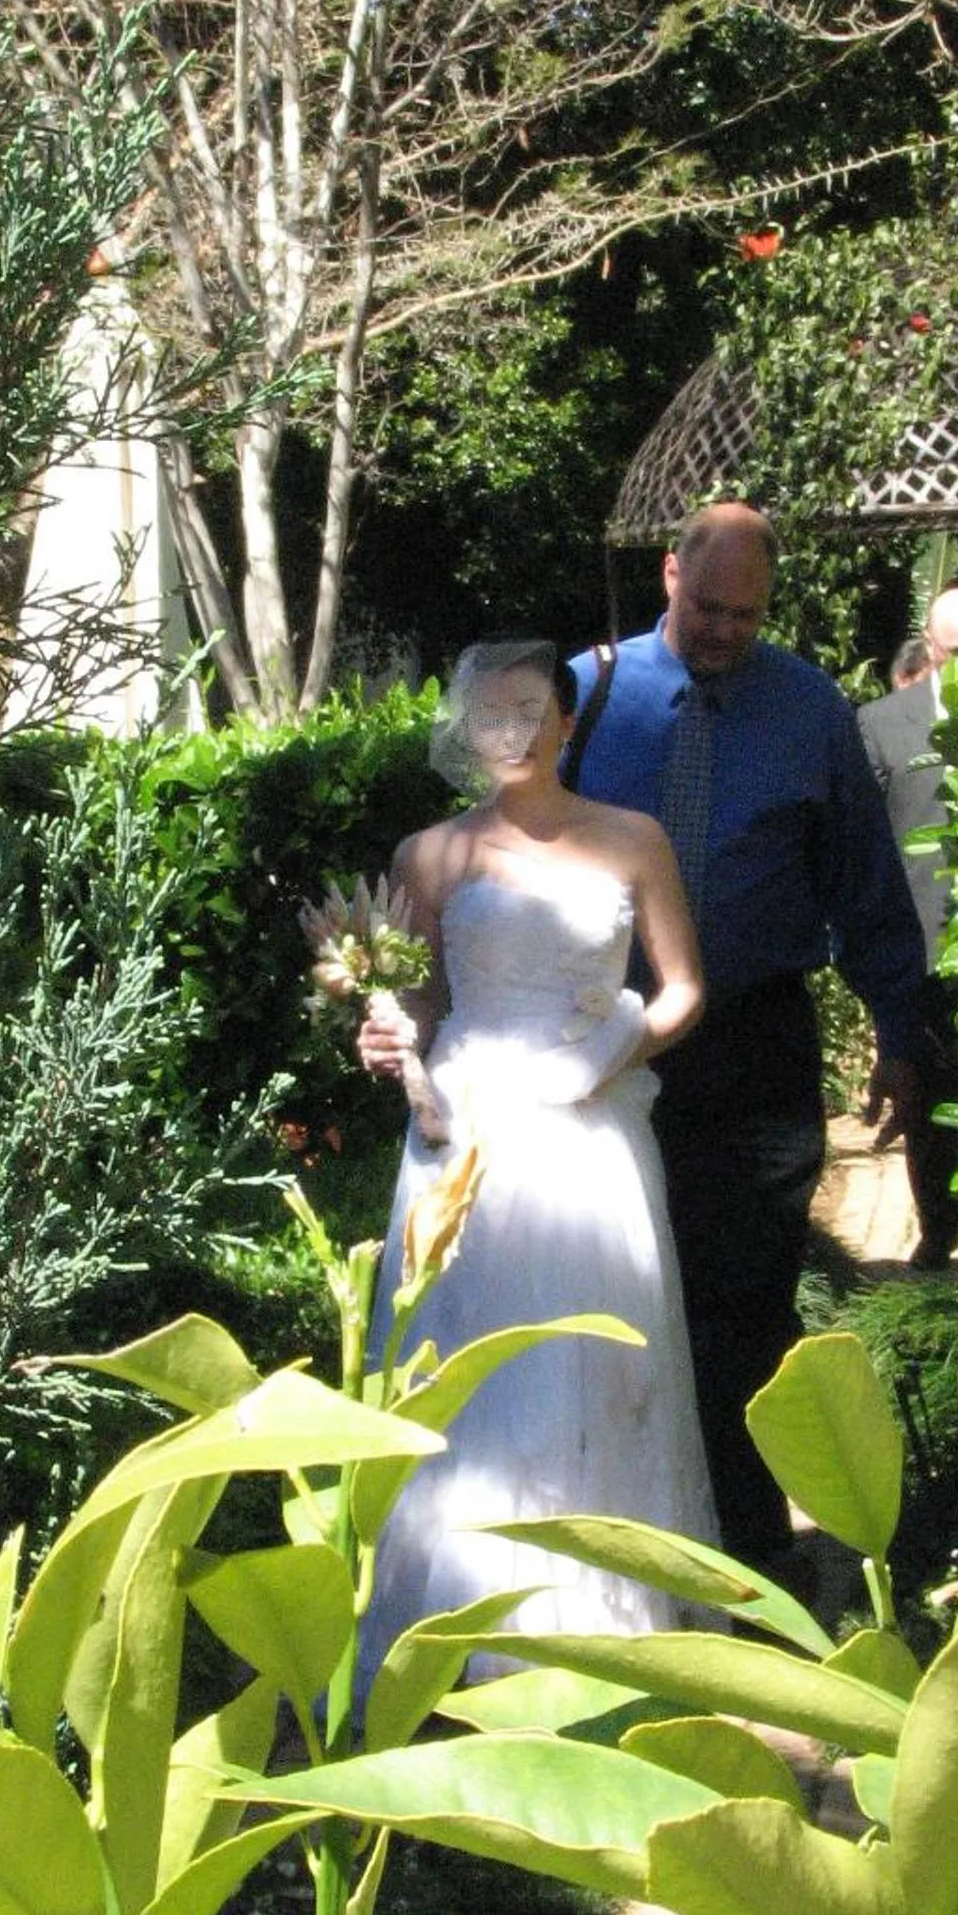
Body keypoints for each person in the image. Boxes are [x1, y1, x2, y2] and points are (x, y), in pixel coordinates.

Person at [563, 503, 928, 1574]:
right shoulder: (588, 698)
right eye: (705, 604)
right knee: (620, 1294)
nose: (723, 628)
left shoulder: (809, 709)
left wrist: (900, 1035)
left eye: (746, 613)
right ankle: (623, 1547)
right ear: (668, 573)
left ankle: (752, 1555)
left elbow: (865, 880)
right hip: (607, 1046)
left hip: (753, 1036)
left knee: (748, 1299)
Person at [353, 641, 719, 1676]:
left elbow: (684, 988)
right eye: (489, 713)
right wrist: (384, 1037)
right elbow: (417, 1003)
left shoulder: (634, 840)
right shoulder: (432, 855)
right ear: (467, 730)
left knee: (596, 1360)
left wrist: (616, 1046)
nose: (511, 731)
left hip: (592, 1127)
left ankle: (598, 1615)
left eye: (530, 709)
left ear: (567, 720)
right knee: (467, 1359)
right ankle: (457, 1621)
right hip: (468, 1123)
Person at [857, 583, 958, 1268]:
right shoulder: (885, 725)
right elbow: (867, 845)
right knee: (928, 1105)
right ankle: (937, 1235)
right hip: (924, 950)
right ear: (931, 648)